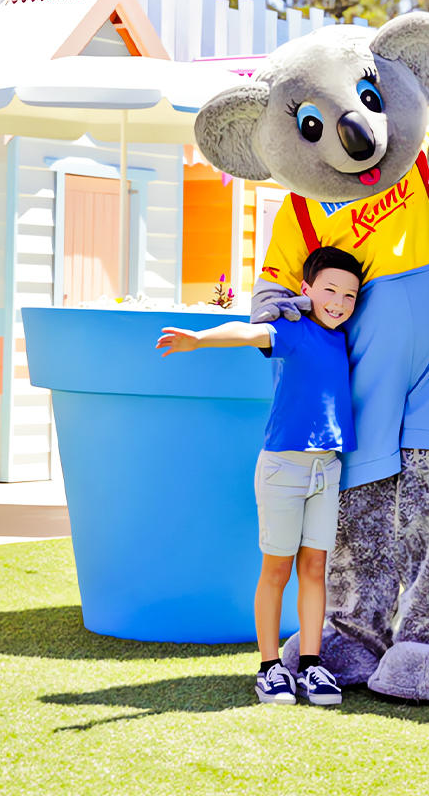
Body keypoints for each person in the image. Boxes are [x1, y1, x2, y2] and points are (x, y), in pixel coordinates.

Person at [156, 246, 364, 707]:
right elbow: (248, 332)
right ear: (306, 290)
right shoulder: (294, 330)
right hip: (283, 469)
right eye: (330, 290)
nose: (339, 302)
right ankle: (270, 668)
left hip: (326, 470)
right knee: (277, 569)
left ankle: (310, 664)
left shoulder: (343, 338)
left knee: (315, 568)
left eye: (350, 295)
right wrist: (200, 338)